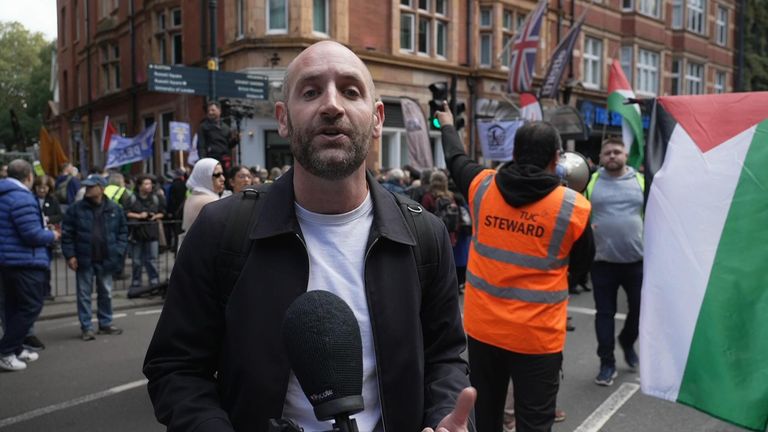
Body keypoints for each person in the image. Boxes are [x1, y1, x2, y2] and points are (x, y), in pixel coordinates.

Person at [144, 40, 475, 432]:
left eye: (351, 91)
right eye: (311, 91)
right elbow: (177, 368)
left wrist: (442, 419)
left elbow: (445, 357)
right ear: (283, 119)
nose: (332, 105)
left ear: (377, 119)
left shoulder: (424, 234)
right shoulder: (221, 231)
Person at [437, 104, 594, 432]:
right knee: (534, 423)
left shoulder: (481, 186)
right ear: (556, 158)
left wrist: (448, 123)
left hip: (484, 331)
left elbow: (455, 158)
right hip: (538, 338)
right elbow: (581, 267)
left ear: (515, 152)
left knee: (486, 417)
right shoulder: (573, 207)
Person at [584, 137, 645, 386]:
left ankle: (628, 340)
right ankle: (606, 363)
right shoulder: (592, 181)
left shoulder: (641, 181)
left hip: (637, 261)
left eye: (616, 152)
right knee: (604, 314)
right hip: (602, 261)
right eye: (607, 152)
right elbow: (580, 211)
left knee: (640, 312)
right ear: (600, 157)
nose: (612, 156)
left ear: (626, 155)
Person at [0, 160, 60, 371]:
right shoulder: (22, 198)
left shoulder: (5, 194)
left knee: (13, 306)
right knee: (30, 306)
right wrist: (52, 234)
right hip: (25, 261)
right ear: (29, 176)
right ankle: (6, 351)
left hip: (9, 260)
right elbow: (31, 234)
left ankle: (15, 348)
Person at [61, 174, 128, 341]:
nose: (87, 189)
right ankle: (87, 327)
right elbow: (67, 234)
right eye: (87, 186)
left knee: (106, 292)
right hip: (84, 258)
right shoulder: (76, 209)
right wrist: (70, 255)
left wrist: (118, 251)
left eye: (91, 186)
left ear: (101, 188)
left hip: (106, 258)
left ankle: (105, 323)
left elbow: (122, 232)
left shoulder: (114, 208)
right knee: (84, 295)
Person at [125, 175, 166, 291]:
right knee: (136, 260)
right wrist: (139, 216)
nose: (149, 186)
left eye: (150, 184)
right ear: (139, 186)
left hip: (151, 231)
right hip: (137, 232)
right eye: (146, 184)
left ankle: (154, 281)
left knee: (152, 259)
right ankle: (136, 282)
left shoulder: (156, 197)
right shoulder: (132, 198)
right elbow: (126, 212)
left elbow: (163, 212)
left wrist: (155, 216)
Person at [178, 158, 225, 247]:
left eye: (222, 174)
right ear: (204, 176)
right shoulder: (210, 200)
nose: (223, 178)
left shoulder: (194, 195)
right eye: (217, 175)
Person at [197, 101, 238, 169]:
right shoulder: (203, 126)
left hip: (225, 160)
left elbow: (228, 145)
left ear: (219, 111)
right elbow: (201, 145)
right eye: (209, 111)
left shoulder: (226, 127)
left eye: (213, 110)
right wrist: (202, 160)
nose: (210, 112)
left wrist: (236, 140)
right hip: (211, 159)